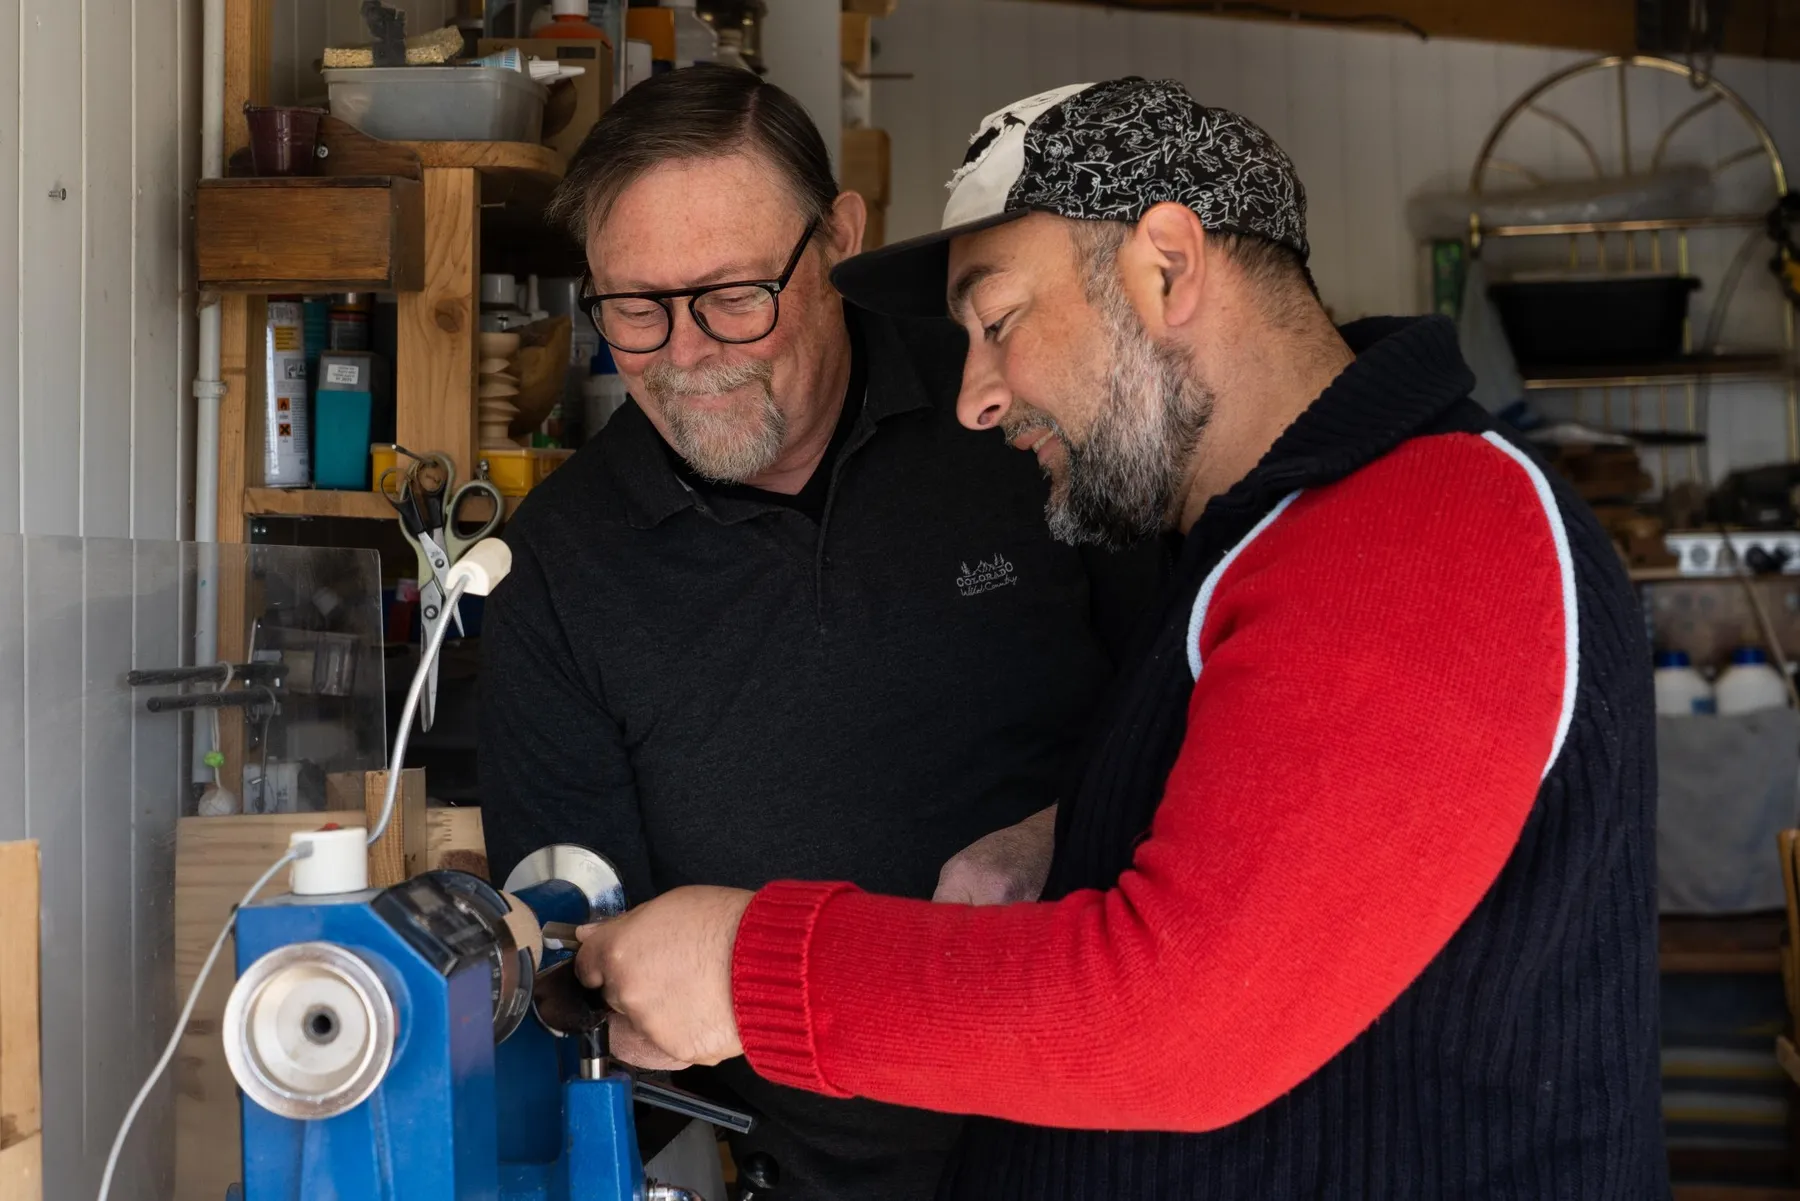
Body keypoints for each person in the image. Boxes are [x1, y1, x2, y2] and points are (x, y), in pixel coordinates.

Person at [573, 78, 1666, 1199]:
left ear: (1167, 267)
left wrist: (749, 966)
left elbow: (1184, 1020)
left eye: (998, 323)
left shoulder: (1428, 533)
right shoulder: (1271, 535)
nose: (976, 401)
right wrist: (1081, 825)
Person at [479, 67, 1159, 1200]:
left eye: (735, 294)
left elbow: (1211, 706)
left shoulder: (1016, 406)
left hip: (1135, 1128)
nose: (688, 353)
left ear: (840, 239)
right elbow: (581, 975)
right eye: (634, 308)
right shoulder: (558, 569)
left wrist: (1061, 826)